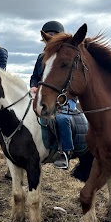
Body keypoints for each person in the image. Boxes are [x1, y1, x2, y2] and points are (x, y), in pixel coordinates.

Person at [30, 21, 75, 169]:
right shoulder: (40, 57)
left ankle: (65, 152)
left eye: (53, 34)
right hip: (44, 95)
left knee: (62, 119)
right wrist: (34, 87)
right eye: (47, 35)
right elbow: (35, 77)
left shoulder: (65, 56)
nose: (50, 37)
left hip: (64, 96)